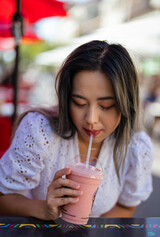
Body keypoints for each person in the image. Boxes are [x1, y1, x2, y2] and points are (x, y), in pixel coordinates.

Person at [0, 40, 154, 220]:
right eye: (79, 103)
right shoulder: (39, 130)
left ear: (126, 104)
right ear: (66, 98)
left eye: (106, 106)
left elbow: (125, 206)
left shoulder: (137, 147)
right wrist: (44, 208)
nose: (91, 119)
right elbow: (4, 200)